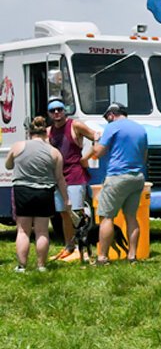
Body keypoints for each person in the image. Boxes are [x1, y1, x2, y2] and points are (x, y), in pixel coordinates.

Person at [8, 116, 70, 272]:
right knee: (42, 231)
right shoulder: (55, 152)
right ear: (46, 133)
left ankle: (22, 266)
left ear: (29, 133)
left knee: (23, 231)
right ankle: (41, 265)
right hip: (44, 192)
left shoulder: (17, 146)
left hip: (22, 191)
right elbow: (59, 179)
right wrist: (66, 199)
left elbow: (8, 165)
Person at [92, 103, 147, 265]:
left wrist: (96, 140)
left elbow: (98, 153)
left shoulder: (113, 127)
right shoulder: (140, 129)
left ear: (111, 115)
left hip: (117, 177)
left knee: (106, 217)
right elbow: (144, 156)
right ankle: (132, 256)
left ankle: (102, 257)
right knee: (131, 217)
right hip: (137, 177)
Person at [44, 98, 97, 261]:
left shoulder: (76, 125)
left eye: (59, 109)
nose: (56, 113)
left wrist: (87, 157)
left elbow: (97, 137)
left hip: (75, 175)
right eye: (53, 111)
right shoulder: (48, 132)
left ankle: (84, 248)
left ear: (64, 110)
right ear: (49, 114)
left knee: (78, 213)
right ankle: (69, 247)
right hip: (58, 177)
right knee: (64, 214)